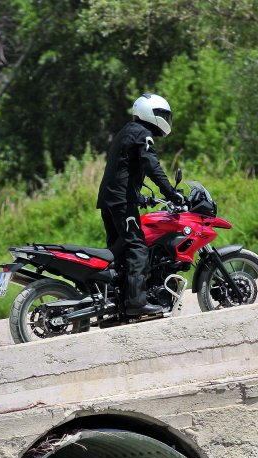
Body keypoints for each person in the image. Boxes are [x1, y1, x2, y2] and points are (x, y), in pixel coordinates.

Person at [97, 93, 184, 316]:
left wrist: (142, 198)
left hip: (111, 200)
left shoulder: (127, 131)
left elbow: (123, 170)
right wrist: (171, 193)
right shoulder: (142, 134)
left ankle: (115, 301)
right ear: (151, 113)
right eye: (163, 114)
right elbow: (151, 165)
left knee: (118, 253)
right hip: (121, 202)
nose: (165, 118)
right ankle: (136, 303)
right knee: (137, 248)